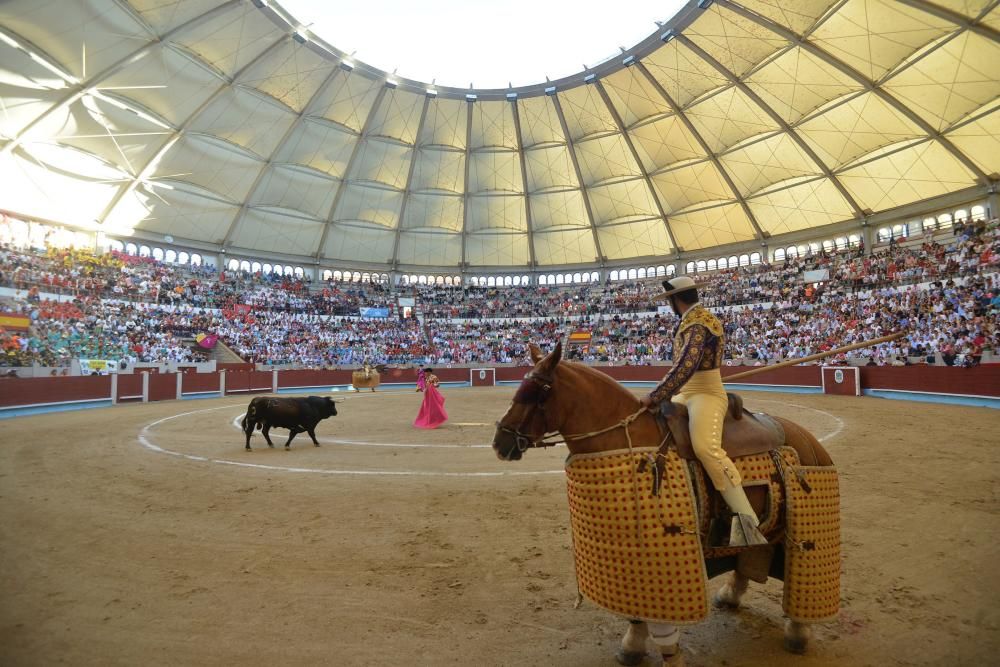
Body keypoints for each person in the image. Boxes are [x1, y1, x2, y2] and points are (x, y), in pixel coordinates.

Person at [639, 276, 767, 547]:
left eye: (670, 301)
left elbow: (686, 365)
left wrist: (656, 394)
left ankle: (748, 522)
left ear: (675, 300)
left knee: (706, 447)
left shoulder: (700, 322)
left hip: (707, 394)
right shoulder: (691, 321)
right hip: (687, 393)